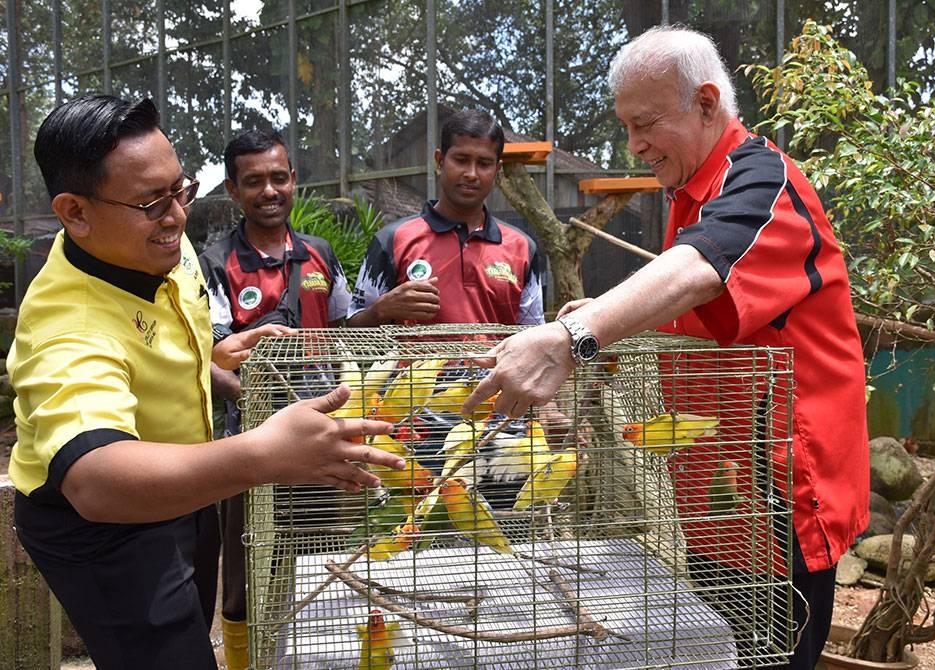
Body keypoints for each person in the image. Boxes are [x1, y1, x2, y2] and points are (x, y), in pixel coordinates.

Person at [461, 26, 869, 670]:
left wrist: (571, 338)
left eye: (645, 123)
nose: (633, 145)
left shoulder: (763, 181)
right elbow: (713, 313)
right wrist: (600, 315)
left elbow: (703, 269)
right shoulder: (690, 194)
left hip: (781, 497)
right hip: (717, 493)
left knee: (772, 653)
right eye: (625, 126)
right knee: (724, 650)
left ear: (707, 104)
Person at [8, 94, 404, 670]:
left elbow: (155, 338)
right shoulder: (66, 326)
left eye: (180, 189)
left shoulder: (156, 243)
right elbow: (95, 482)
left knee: (192, 618)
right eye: (151, 201)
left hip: (183, 479)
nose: (175, 215)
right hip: (102, 521)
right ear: (75, 212)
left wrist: (217, 354)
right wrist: (262, 455)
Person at [199, 128, 353, 670]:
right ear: (234, 190)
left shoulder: (319, 255)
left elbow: (346, 330)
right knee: (245, 561)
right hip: (249, 438)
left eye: (279, 177)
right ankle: (244, 660)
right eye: (254, 181)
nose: (269, 190)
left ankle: (321, 655)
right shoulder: (216, 262)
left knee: (324, 550)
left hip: (318, 433)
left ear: (293, 181)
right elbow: (213, 358)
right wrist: (261, 406)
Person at [347, 108, 544, 327]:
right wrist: (380, 310)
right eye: (461, 160)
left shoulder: (522, 249)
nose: (471, 173)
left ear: (497, 170)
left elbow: (533, 334)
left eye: (484, 164)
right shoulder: (392, 240)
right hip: (414, 364)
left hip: (500, 364)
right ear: (440, 161)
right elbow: (353, 325)